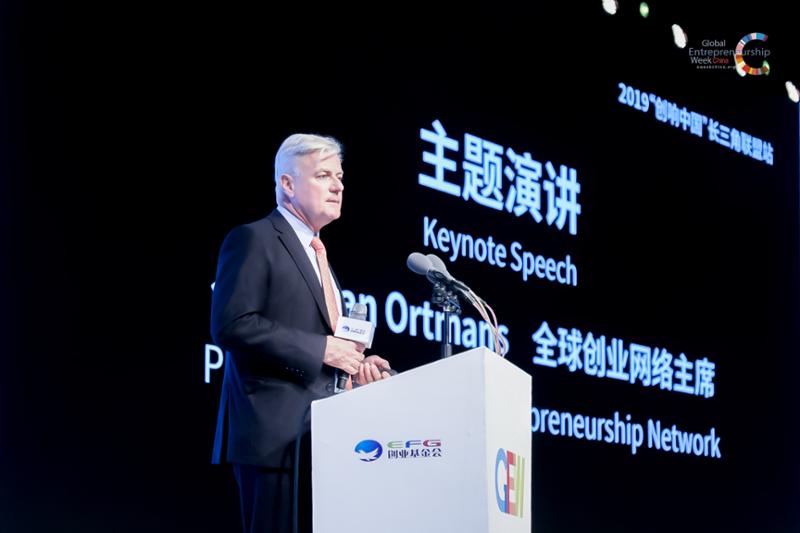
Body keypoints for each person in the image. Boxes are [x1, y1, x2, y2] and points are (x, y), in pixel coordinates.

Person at [210, 133, 392, 533]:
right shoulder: (254, 239)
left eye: (340, 177)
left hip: (324, 441)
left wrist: (355, 367)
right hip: (274, 440)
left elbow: (324, 346)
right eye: (324, 175)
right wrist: (323, 349)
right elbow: (232, 324)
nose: (338, 186)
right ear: (287, 183)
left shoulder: (318, 255)